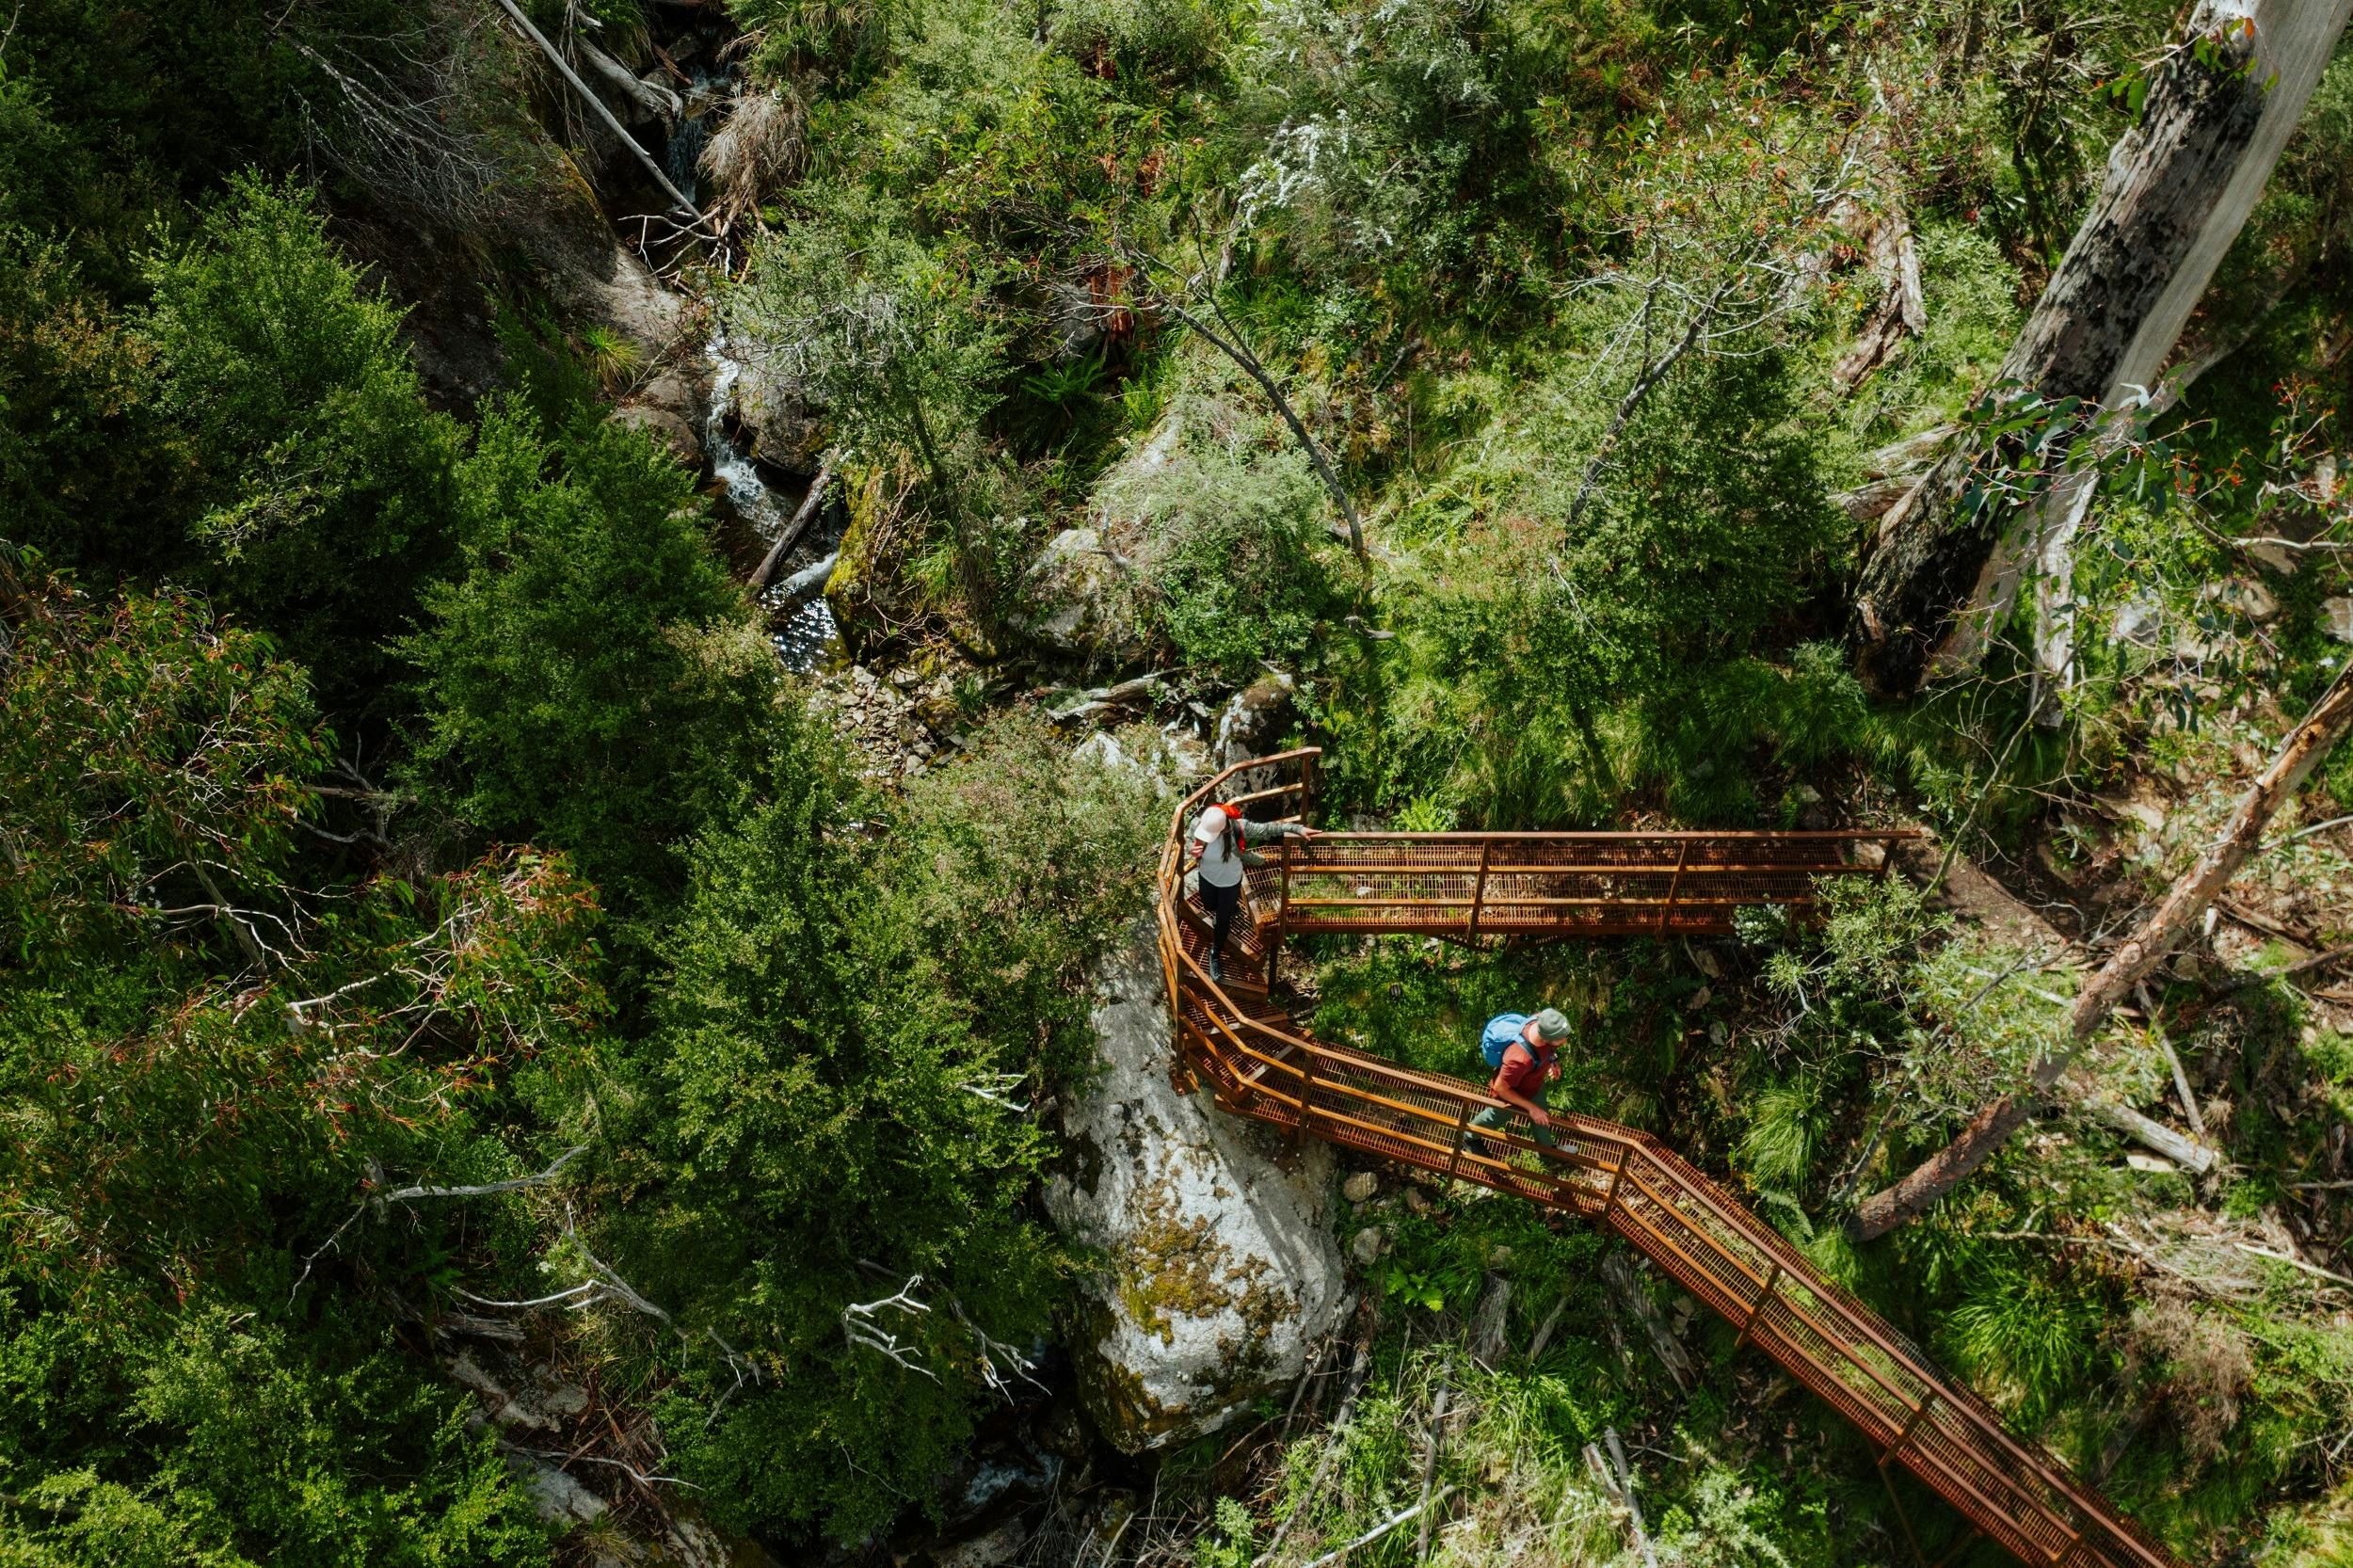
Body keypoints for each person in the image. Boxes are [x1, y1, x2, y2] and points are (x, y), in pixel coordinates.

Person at [1187, 802, 1316, 982]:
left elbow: (1268, 829)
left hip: (1229, 882)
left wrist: (1298, 829)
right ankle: (1229, 909)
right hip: (1206, 876)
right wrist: (1191, 850)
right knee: (1208, 903)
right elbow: (1189, 842)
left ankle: (1215, 954)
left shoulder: (1239, 828)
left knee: (1222, 920)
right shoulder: (1197, 824)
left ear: (1223, 829)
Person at [1470, 1008, 1569, 1155]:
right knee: (1496, 1117)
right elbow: (1501, 1088)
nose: (1566, 1040)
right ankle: (1469, 1135)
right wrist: (1532, 1108)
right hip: (1513, 1093)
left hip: (1534, 1084)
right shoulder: (1518, 1059)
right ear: (1547, 1038)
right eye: (1562, 1038)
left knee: (1542, 1118)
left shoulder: (1540, 1021)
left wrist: (1553, 1061)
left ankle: (1547, 1153)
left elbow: (1548, 1049)